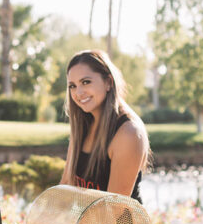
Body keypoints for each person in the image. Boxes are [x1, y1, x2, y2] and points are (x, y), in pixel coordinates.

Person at [61, 49, 149, 200]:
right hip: (86, 216)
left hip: (114, 216)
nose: (78, 92)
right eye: (72, 86)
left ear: (108, 82)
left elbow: (112, 208)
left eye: (86, 82)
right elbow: (66, 185)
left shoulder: (128, 133)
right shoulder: (82, 126)